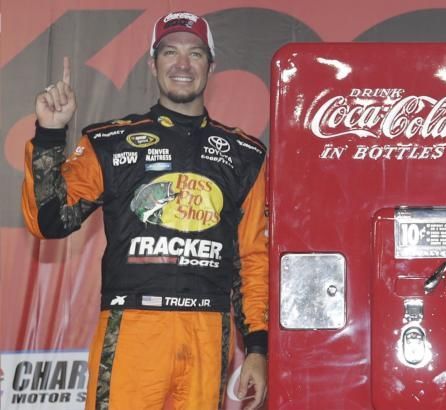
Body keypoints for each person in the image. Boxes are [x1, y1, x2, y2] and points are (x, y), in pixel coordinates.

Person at [21, 11, 268, 410]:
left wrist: (257, 347)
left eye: (196, 53)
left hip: (208, 329)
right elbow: (50, 220)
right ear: (153, 64)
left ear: (211, 66)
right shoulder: (111, 143)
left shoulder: (245, 155)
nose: (182, 64)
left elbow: (253, 258)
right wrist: (50, 133)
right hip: (133, 326)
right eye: (170, 52)